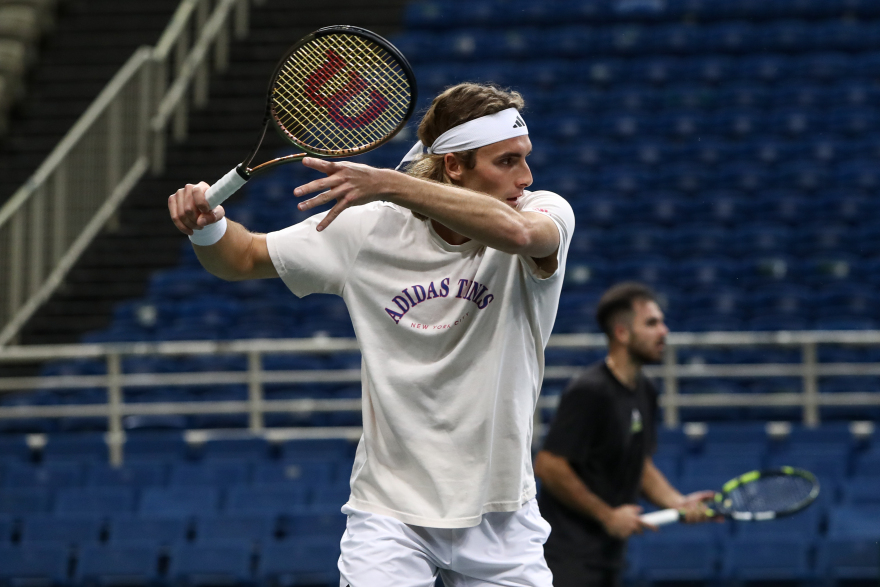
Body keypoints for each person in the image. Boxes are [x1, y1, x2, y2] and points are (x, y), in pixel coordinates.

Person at [168, 83, 574, 587]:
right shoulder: (368, 230)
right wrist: (208, 226)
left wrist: (389, 184)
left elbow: (520, 236)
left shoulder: (545, 210)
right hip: (390, 513)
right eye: (507, 161)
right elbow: (243, 257)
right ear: (454, 165)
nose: (526, 176)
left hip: (502, 514)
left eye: (524, 158)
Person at [534, 282, 716, 587]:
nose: (664, 331)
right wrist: (607, 515)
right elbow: (549, 466)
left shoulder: (646, 390)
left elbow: (638, 464)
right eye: (652, 323)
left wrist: (678, 502)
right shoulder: (589, 391)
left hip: (609, 556)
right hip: (566, 557)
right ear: (622, 333)